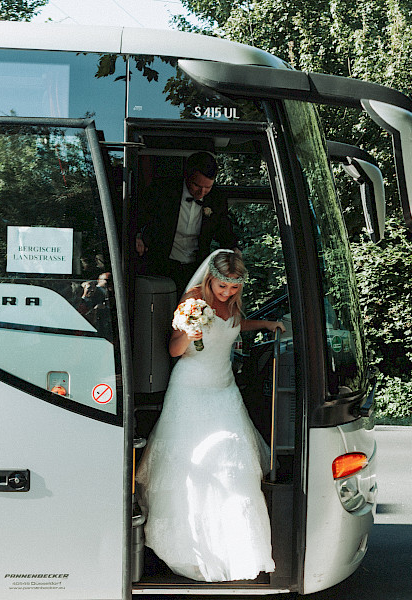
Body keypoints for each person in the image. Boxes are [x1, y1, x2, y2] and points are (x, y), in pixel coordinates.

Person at [135, 249, 284, 582]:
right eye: (222, 287)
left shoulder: (231, 305)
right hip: (191, 389)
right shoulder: (191, 302)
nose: (227, 293)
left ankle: (239, 551)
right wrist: (190, 331)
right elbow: (174, 349)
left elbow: (234, 326)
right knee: (195, 467)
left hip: (224, 389)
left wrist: (265, 323)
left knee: (235, 465)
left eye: (233, 289)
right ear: (210, 279)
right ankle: (192, 553)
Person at [136, 152, 238, 295]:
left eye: (207, 187)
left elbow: (224, 231)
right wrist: (138, 236)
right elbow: (139, 217)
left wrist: (233, 251)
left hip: (195, 268)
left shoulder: (217, 199)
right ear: (187, 176)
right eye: (197, 185)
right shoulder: (163, 190)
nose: (202, 192)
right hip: (160, 263)